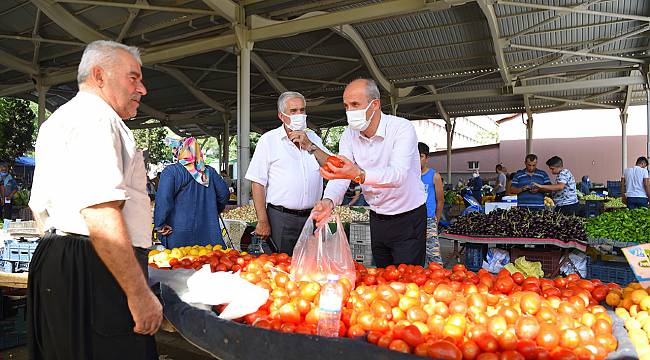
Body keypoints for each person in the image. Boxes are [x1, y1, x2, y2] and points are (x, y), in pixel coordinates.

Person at [28, 40, 160, 359]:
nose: (142, 89)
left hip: (64, 256)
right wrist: (139, 293)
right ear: (99, 76)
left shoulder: (61, 119)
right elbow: (100, 213)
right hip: (94, 264)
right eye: (133, 77)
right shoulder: (97, 120)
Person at [311, 78, 427, 268]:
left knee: (409, 281)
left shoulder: (401, 128)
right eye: (346, 106)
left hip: (408, 217)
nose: (350, 111)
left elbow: (398, 175)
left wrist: (358, 174)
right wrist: (328, 201)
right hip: (377, 216)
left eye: (355, 104)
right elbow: (341, 173)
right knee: (382, 277)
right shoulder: (349, 135)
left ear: (375, 104)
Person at [245, 91, 330, 255]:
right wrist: (262, 220)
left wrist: (310, 145)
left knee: (308, 268)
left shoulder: (314, 139)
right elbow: (257, 182)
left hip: (311, 218)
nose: (299, 115)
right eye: (293, 111)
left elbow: (333, 166)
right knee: (281, 267)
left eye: (302, 110)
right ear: (281, 116)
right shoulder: (269, 141)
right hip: (281, 218)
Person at [154, 137, 230, 249]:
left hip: (178, 233)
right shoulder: (209, 172)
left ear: (179, 151)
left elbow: (163, 199)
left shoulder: (171, 172)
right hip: (209, 232)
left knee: (181, 265)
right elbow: (224, 194)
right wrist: (212, 210)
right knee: (210, 264)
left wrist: (160, 224)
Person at [418, 142, 444, 267]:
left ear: (427, 158)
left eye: (421, 156)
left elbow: (440, 201)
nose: (417, 160)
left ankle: (440, 281)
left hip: (429, 220)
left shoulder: (434, 176)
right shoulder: (409, 176)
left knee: (434, 257)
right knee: (416, 255)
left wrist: (435, 220)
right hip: (412, 221)